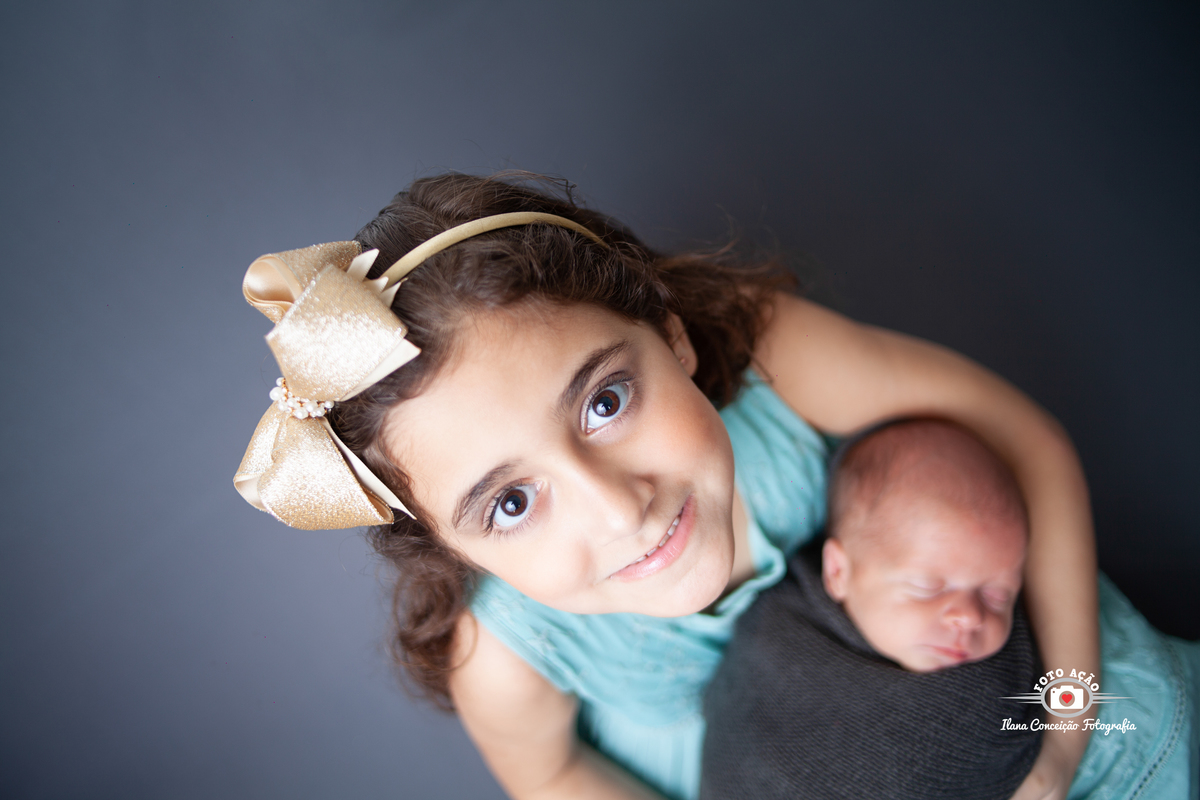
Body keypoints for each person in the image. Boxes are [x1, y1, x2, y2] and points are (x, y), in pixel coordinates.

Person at [232, 173, 1193, 799]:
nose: (619, 506)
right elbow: (557, 775)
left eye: (605, 402)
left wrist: (1064, 727)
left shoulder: (777, 365)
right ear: (451, 546)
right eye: (509, 504)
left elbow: (1023, 437)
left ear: (673, 335)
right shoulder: (508, 659)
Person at [701, 419, 1046, 799]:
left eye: (999, 595)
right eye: (928, 587)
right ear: (838, 572)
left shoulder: (997, 699)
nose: (971, 617)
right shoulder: (778, 630)